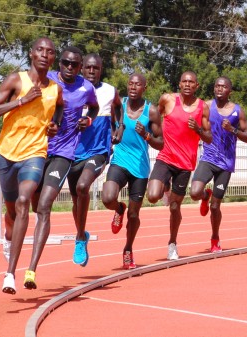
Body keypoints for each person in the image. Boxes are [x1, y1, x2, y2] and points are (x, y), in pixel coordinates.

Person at [0, 37, 64, 295]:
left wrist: (55, 125)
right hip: (7, 154)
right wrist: (21, 101)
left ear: (53, 59)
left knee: (24, 200)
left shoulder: (55, 89)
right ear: (31, 54)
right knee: (12, 210)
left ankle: (11, 273)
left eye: (49, 52)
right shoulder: (16, 81)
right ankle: (11, 235)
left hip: (35, 153)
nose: (44, 55)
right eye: (40, 50)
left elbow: (59, 109)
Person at [26, 46, 99, 289]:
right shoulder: (49, 80)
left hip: (64, 153)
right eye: (66, 63)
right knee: (34, 205)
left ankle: (31, 270)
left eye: (74, 64)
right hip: (38, 148)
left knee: (45, 206)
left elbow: (95, 108)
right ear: (60, 63)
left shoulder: (85, 87)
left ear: (80, 68)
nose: (69, 67)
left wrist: (87, 119)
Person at [147, 71, 212, 260]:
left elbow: (208, 138)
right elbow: (154, 119)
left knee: (175, 208)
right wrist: (153, 136)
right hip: (166, 156)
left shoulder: (202, 108)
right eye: (184, 81)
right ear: (179, 83)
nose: (187, 84)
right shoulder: (167, 100)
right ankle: (165, 188)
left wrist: (198, 129)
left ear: (197, 86)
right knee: (152, 196)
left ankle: (172, 244)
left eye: (191, 82)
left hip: (185, 164)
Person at [101, 73, 163, 269]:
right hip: (120, 160)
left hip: (140, 168)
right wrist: (112, 135)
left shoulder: (151, 112)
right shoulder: (119, 105)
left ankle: (128, 248)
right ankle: (119, 208)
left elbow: (161, 143)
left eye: (137, 84)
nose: (133, 87)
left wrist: (146, 135)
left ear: (144, 87)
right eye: (130, 84)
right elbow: (109, 124)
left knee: (134, 216)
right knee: (107, 197)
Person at [67, 53, 123, 267]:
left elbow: (118, 107)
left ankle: (79, 239)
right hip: (72, 151)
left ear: (101, 70)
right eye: (88, 67)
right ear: (81, 69)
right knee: (75, 199)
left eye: (96, 68)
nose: (92, 71)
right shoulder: (73, 90)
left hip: (98, 150)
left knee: (83, 187)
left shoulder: (109, 91)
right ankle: (82, 234)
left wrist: (120, 127)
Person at [190, 76, 247, 252]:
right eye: (217, 86)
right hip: (208, 158)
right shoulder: (206, 106)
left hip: (226, 164)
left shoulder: (237, 111)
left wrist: (232, 130)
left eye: (223, 87)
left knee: (215, 206)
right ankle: (204, 195)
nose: (219, 89)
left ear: (229, 91)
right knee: (194, 192)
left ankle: (215, 238)